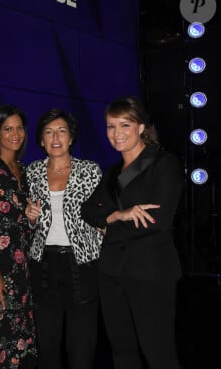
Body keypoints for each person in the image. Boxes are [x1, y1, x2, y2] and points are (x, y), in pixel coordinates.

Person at [81, 96, 183, 369]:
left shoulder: (164, 164)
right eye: (111, 126)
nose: (116, 133)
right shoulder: (112, 173)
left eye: (124, 125)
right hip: (111, 273)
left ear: (140, 127)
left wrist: (109, 226)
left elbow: (156, 220)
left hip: (150, 274)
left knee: (159, 354)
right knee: (122, 353)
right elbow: (87, 210)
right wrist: (117, 214)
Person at [25, 109, 103, 369]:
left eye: (61, 131)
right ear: (41, 140)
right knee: (47, 344)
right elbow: (29, 223)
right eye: (48, 132)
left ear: (71, 138)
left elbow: (101, 216)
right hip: (43, 264)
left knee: (81, 345)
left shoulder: (90, 171)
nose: (55, 137)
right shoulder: (32, 172)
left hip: (82, 264)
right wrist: (31, 218)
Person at [0, 105, 38, 369]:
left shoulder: (24, 171)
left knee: (20, 340)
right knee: (0, 340)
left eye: (20, 127)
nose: (16, 134)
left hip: (22, 270)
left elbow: (24, 224)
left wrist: (32, 219)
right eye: (8, 129)